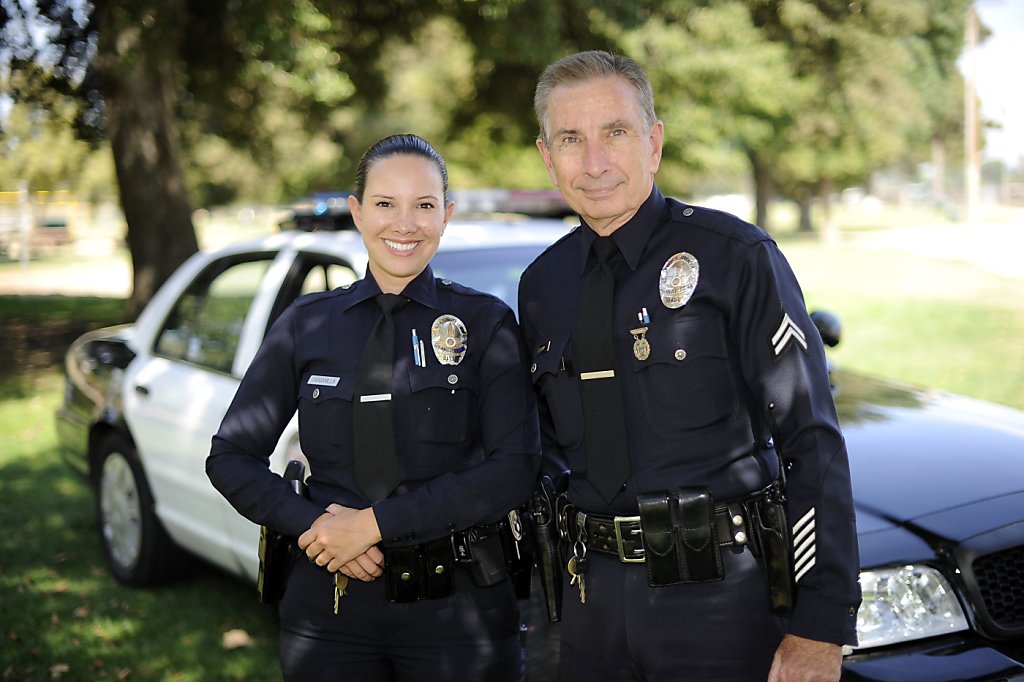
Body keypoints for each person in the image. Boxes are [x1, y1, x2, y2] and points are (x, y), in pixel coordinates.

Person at [518, 51, 861, 681]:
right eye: (571, 139)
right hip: (589, 608)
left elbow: (812, 442)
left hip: (721, 600)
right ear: (547, 157)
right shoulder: (542, 285)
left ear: (653, 143)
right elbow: (538, 454)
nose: (593, 162)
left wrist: (821, 623)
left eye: (615, 133)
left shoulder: (735, 256)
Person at [207, 134, 541, 681]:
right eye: (385, 204)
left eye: (424, 206)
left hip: (458, 609)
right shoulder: (307, 323)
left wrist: (374, 525)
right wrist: (316, 526)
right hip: (330, 607)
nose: (404, 224)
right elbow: (230, 456)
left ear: (446, 215)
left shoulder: (486, 323)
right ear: (358, 213)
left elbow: (514, 468)